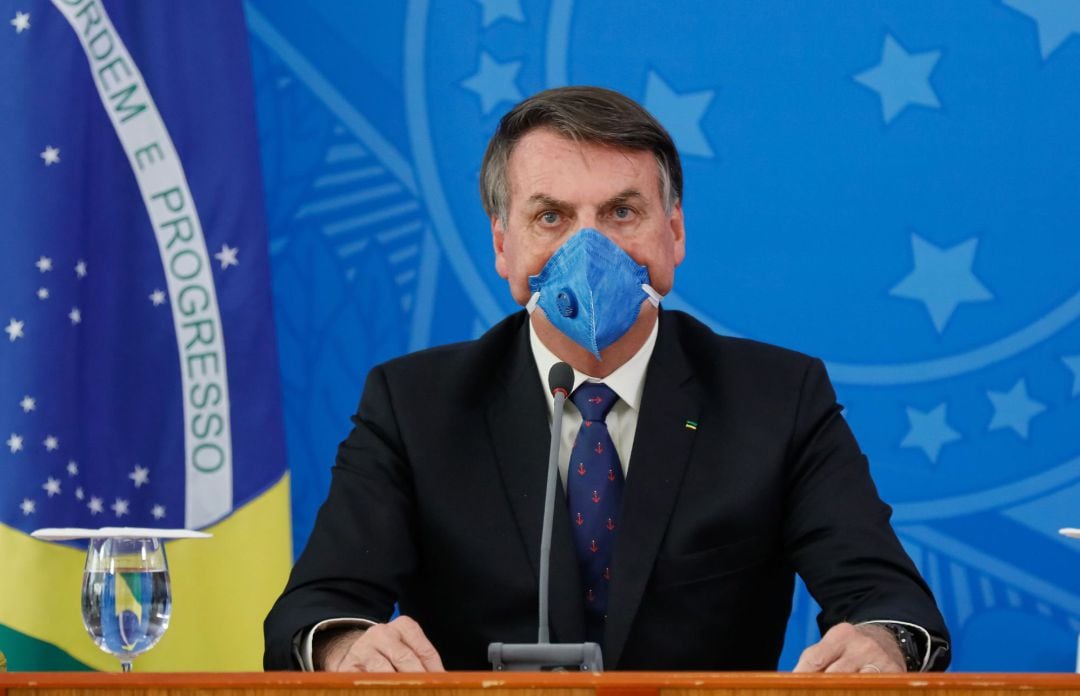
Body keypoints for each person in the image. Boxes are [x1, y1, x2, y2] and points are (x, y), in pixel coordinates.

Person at [263, 86, 950, 673]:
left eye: (622, 212)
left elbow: (891, 602)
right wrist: (347, 646)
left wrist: (880, 642)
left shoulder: (778, 399)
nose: (588, 248)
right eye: (551, 216)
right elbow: (314, 610)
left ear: (673, 234)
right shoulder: (415, 407)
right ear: (503, 245)